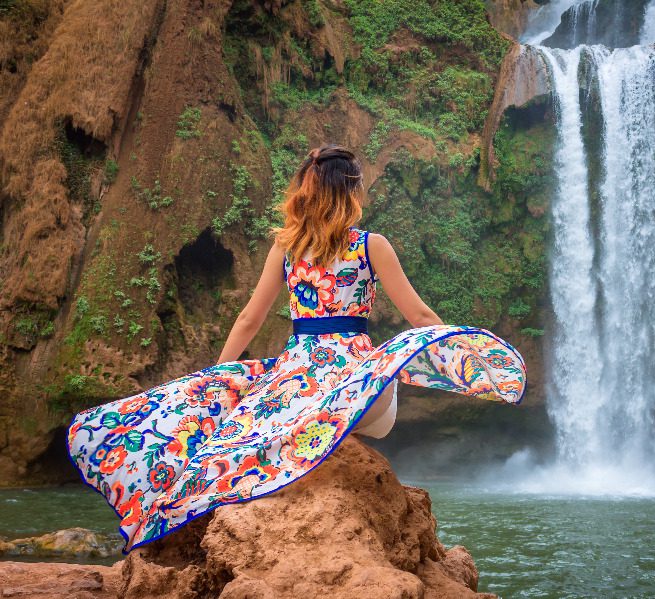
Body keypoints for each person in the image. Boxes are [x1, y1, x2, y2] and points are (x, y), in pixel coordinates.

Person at [67, 143, 527, 554]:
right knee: (387, 367)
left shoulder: (286, 251)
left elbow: (249, 319)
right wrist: (474, 358)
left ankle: (302, 428)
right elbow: (422, 320)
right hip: (359, 399)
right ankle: (330, 430)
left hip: (294, 389)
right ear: (351, 192)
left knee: (262, 413)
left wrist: (213, 381)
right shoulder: (371, 247)